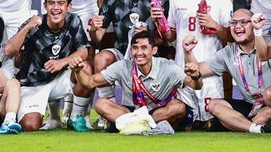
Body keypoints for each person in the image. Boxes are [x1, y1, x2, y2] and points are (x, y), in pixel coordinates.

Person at [89, 0, 170, 111]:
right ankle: (110, 108)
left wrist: (158, 24)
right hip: (122, 55)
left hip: (150, 55)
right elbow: (97, 38)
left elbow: (166, 39)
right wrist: (92, 29)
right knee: (100, 59)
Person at [70, 30, 202, 130]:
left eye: (144, 48)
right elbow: (89, 83)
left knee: (178, 107)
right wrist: (77, 71)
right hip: (131, 112)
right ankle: (143, 126)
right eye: (135, 48)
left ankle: (133, 126)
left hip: (159, 111)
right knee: (100, 104)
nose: (139, 53)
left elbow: (196, 85)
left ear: (154, 50)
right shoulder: (123, 66)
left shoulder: (168, 67)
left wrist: (196, 76)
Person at [183, 9, 271, 134]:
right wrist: (188, 52)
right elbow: (197, 69)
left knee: (268, 113)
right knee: (213, 105)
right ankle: (257, 128)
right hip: (250, 104)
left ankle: (229, 123)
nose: (238, 26)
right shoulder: (228, 52)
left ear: (254, 24)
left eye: (244, 22)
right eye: (233, 23)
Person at [4, 0, 93, 132]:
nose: (56, 7)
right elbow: (8, 51)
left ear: (69, 6)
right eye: (51, 3)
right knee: (30, 126)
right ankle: (51, 117)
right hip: (34, 83)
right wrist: (27, 28)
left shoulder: (74, 20)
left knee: (85, 67)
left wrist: (63, 62)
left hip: (60, 79)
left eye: (61, 3)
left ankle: (75, 118)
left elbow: (83, 51)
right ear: (45, 5)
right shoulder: (34, 24)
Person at [167, 0, 232, 123]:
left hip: (210, 73)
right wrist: (160, 24)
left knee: (212, 123)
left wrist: (216, 26)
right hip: (184, 72)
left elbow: (232, 37)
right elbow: (170, 36)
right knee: (187, 124)